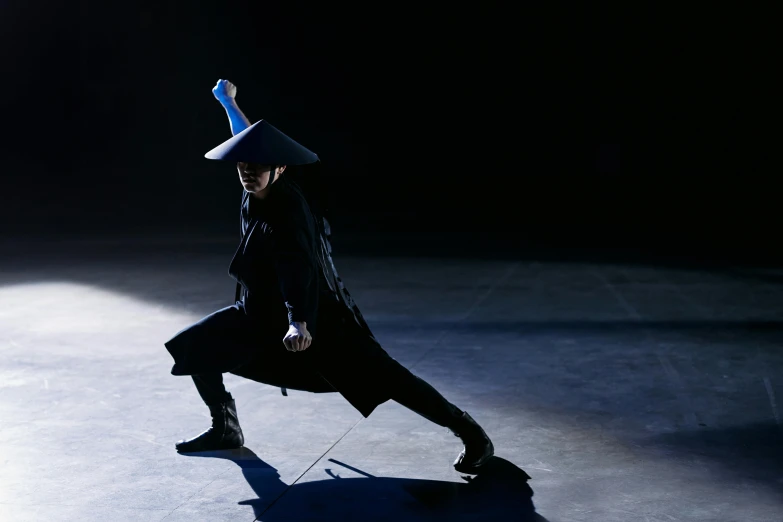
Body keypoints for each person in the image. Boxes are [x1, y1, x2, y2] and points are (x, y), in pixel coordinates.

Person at [163, 79, 494, 474]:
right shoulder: (259, 183)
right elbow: (247, 141)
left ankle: (471, 433)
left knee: (389, 378)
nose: (247, 172)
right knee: (196, 347)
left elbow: (297, 265)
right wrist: (228, 102)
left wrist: (298, 320)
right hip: (258, 312)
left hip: (312, 314)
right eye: (242, 165)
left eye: (256, 167)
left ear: (280, 167)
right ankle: (226, 427)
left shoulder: (286, 212)